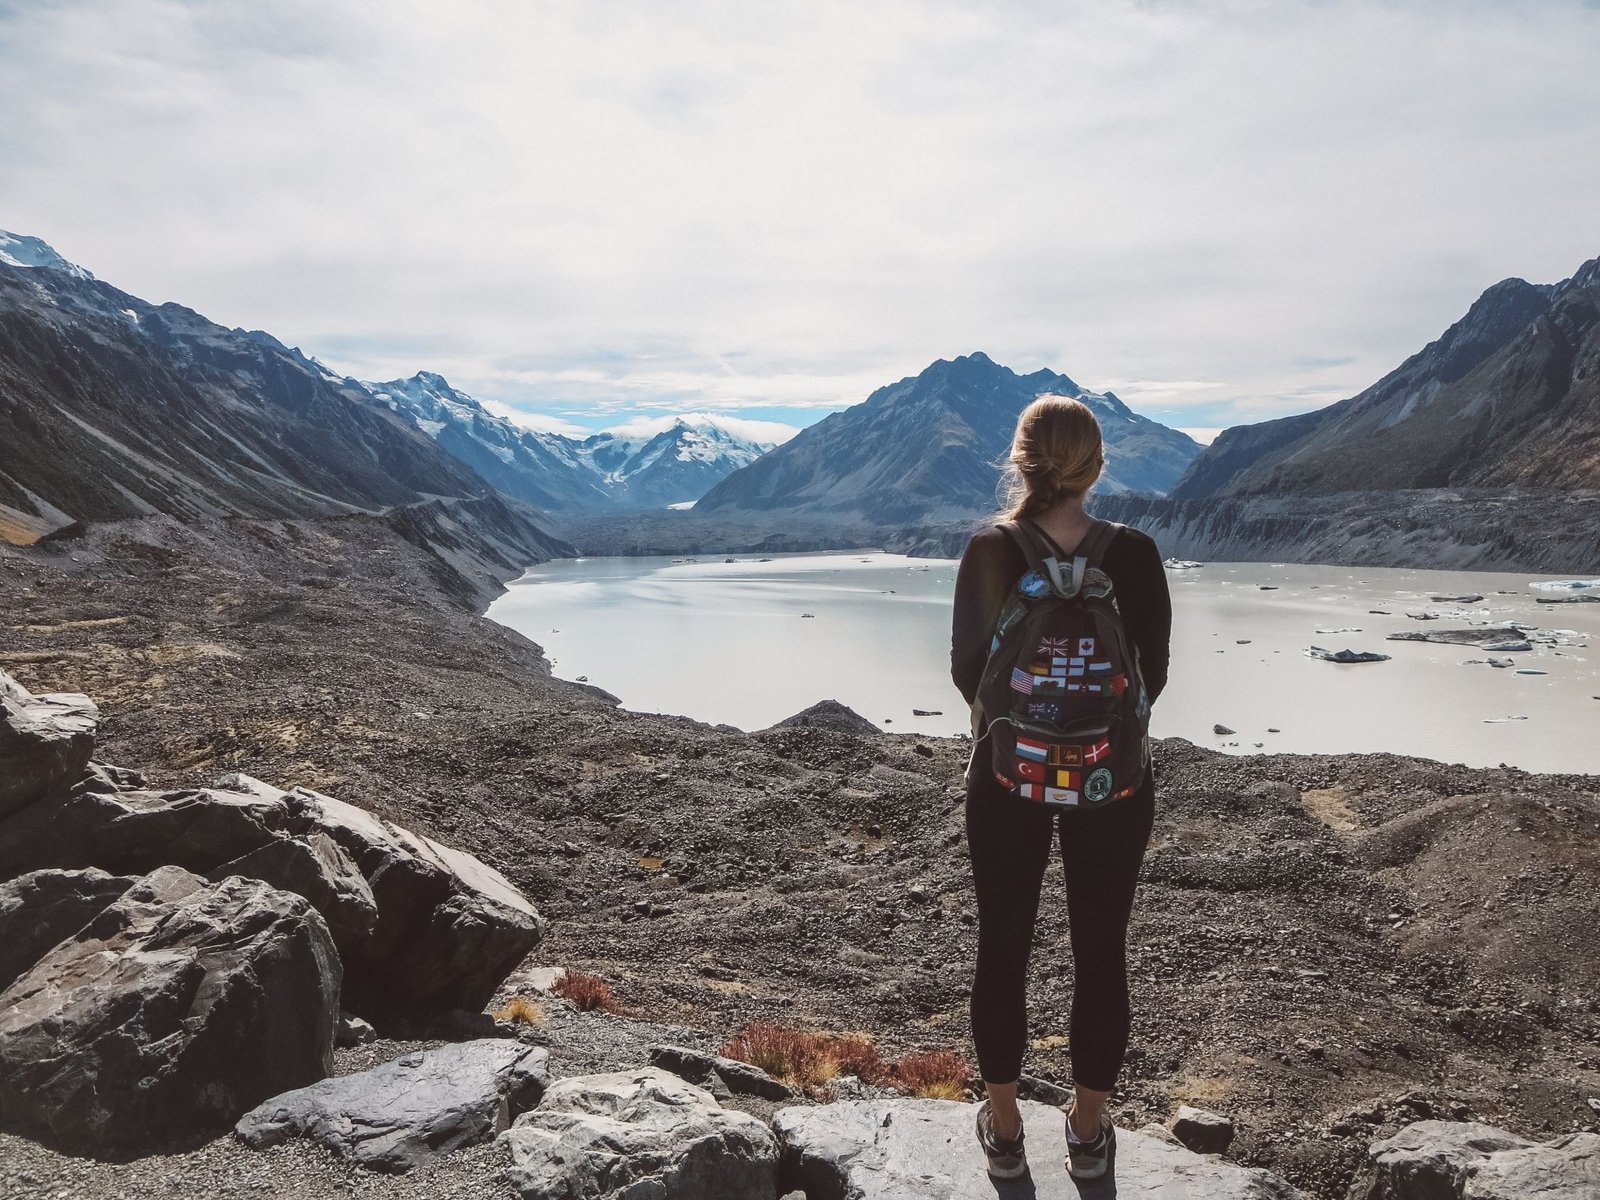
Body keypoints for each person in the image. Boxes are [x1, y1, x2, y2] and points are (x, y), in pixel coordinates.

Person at [950, 394, 1171, 1181]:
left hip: (1007, 781)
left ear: (1021, 459)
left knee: (1003, 943)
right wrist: (1091, 739)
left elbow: (968, 674)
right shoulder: (1136, 552)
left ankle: (1005, 1131)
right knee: (1101, 948)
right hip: (1112, 783)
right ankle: (1086, 1130)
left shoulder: (989, 548)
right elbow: (1153, 675)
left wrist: (1033, 730)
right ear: (1096, 465)